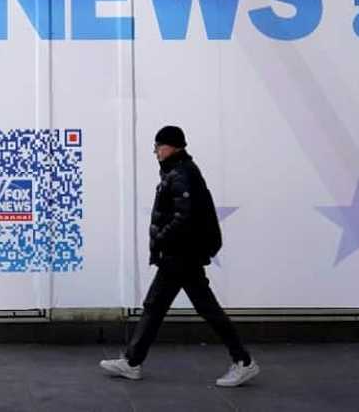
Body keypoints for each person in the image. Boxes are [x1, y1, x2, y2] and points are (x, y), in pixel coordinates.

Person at [100, 125, 260, 387]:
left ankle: (243, 362)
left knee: (173, 306)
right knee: (161, 305)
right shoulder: (177, 171)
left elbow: (184, 217)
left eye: (159, 146)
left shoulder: (182, 173)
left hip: (181, 256)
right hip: (181, 255)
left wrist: (161, 237)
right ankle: (132, 362)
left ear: (174, 146)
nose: (156, 152)